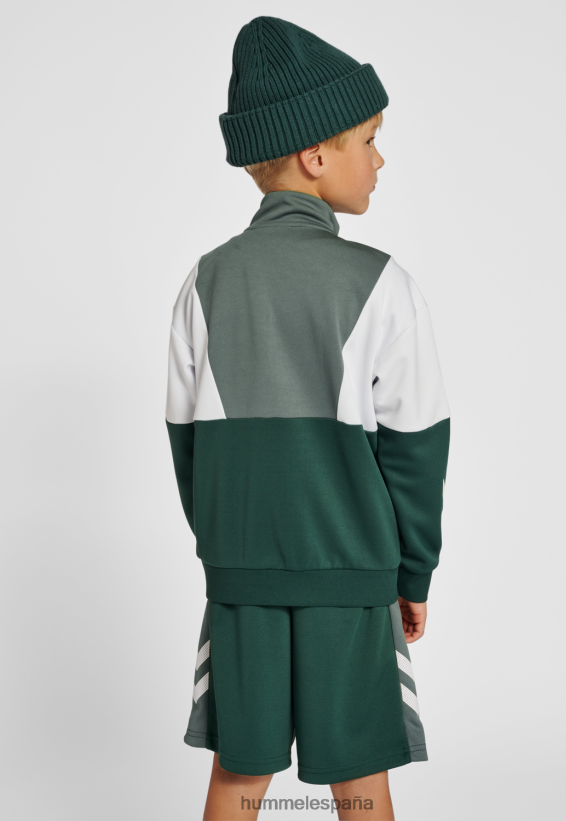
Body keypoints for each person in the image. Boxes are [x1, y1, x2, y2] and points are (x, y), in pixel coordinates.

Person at [165, 15, 450, 821]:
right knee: (360, 782)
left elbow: (187, 446)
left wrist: (231, 551)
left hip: (241, 578)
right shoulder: (383, 284)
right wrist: (413, 573)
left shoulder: (203, 283)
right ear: (317, 154)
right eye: (370, 139)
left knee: (237, 775)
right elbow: (417, 451)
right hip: (353, 579)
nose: (380, 158)